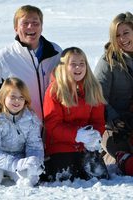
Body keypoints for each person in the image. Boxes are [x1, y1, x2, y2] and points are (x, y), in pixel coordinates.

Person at [0, 5, 62, 120]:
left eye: (35, 23)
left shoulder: (56, 52)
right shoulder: (3, 58)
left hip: (52, 130)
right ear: (16, 28)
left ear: (41, 27)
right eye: (25, 23)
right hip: (19, 133)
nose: (31, 27)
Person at [42, 47, 109, 182]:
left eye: (82, 63)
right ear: (64, 66)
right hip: (61, 147)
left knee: (100, 176)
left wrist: (94, 136)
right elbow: (52, 125)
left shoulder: (93, 88)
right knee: (68, 177)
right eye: (73, 64)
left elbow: (98, 121)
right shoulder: (55, 90)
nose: (78, 67)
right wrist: (76, 135)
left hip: (86, 146)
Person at [0, 77, 44, 186]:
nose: (17, 101)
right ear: (3, 97)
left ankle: (9, 173)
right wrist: (15, 164)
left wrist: (35, 163)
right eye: (13, 97)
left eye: (21, 97)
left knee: (28, 180)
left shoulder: (30, 118)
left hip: (18, 157)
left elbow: (34, 146)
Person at [94, 12, 133, 176]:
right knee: (123, 150)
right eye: (117, 35)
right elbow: (97, 96)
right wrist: (113, 118)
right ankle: (116, 157)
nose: (122, 39)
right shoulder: (108, 61)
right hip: (114, 124)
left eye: (126, 33)